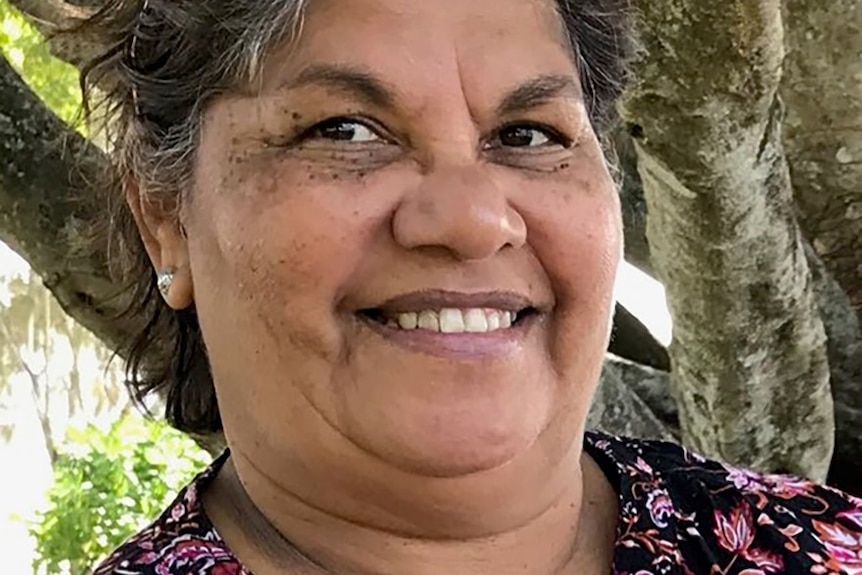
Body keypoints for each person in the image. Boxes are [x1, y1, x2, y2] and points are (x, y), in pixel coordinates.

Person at [75, 0, 862, 573]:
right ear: (163, 214)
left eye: (528, 135)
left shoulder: (825, 547)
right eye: (343, 129)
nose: (472, 219)